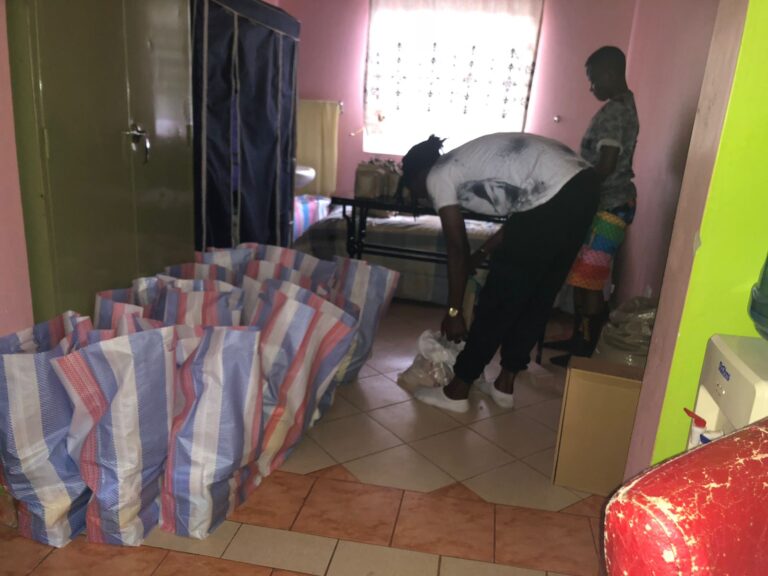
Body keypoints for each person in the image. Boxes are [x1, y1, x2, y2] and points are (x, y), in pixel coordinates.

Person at [399, 133, 600, 413]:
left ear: (419, 175)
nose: (421, 196)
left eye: (413, 188)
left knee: (499, 298)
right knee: (539, 297)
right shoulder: (467, 164)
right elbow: (520, 221)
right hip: (585, 186)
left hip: (554, 192)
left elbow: (456, 247)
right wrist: (481, 254)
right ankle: (505, 385)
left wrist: (454, 312)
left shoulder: (438, 174)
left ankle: (458, 390)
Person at [550, 46, 640, 366]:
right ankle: (580, 339)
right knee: (583, 277)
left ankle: (587, 351)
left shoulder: (616, 111)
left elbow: (606, 164)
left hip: (610, 207)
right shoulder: (622, 106)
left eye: (593, 79)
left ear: (609, 73)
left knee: (589, 280)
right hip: (606, 205)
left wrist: (575, 190)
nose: (591, 87)